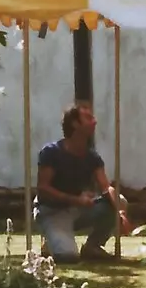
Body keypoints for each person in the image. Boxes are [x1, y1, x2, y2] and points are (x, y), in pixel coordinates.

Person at [35, 101, 127, 263]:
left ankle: (93, 246)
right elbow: (43, 189)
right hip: (52, 211)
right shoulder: (51, 152)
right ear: (75, 124)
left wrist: (121, 214)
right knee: (68, 257)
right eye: (88, 118)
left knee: (118, 201)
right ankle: (50, 241)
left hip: (78, 209)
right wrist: (75, 199)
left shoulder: (92, 157)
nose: (95, 121)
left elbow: (106, 188)